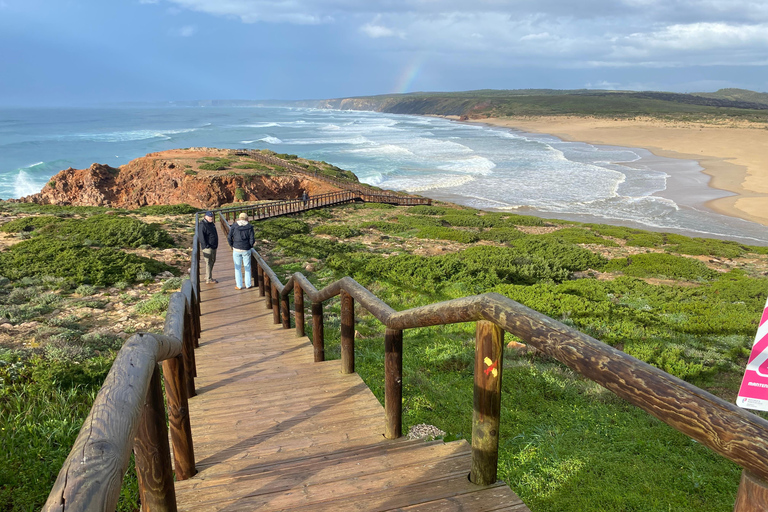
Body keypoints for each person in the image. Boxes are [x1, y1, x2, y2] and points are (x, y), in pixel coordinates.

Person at [228, 212, 255, 290]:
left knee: (237, 268)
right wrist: (250, 246)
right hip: (246, 249)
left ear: (239, 218)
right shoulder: (249, 227)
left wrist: (232, 245)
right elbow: (252, 239)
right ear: (247, 218)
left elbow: (229, 237)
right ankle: (248, 284)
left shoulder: (234, 226)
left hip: (236, 248)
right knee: (247, 267)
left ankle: (239, 285)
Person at [200, 211, 218, 284]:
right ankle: (209, 279)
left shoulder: (211, 224)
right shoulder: (202, 225)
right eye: (209, 216)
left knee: (213, 261)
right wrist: (206, 246)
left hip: (213, 246)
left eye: (211, 217)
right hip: (208, 247)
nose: (211, 218)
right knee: (208, 262)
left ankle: (208, 275)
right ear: (205, 216)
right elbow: (201, 237)